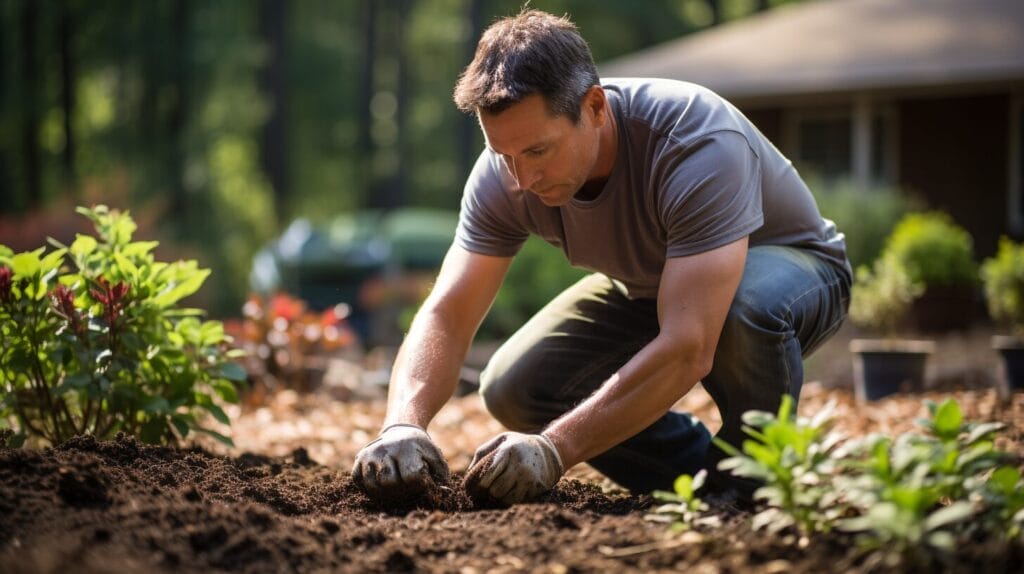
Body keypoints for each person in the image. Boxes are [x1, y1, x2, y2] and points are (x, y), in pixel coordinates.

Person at [351, 9, 851, 505]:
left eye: (539, 152)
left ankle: (756, 487)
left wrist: (555, 449)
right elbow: (448, 312)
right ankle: (703, 479)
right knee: (515, 389)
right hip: (653, 284)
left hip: (797, 270)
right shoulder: (503, 174)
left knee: (743, 311)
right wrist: (402, 422)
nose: (522, 180)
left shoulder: (695, 142)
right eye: (505, 156)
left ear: (594, 107)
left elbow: (690, 345)